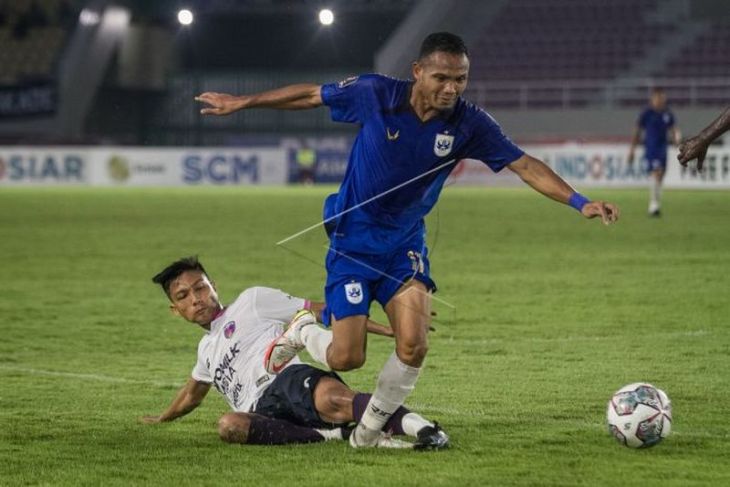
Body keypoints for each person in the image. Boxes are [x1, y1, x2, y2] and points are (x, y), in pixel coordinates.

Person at [195, 32, 619, 448]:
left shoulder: (470, 124)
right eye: (441, 78)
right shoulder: (375, 93)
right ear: (418, 72)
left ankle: (365, 435)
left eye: (460, 79)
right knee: (347, 358)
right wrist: (243, 102)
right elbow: (311, 95)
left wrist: (578, 201)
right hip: (352, 246)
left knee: (414, 345)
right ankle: (305, 332)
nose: (451, 88)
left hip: (404, 248)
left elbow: (525, 165)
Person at [141, 257, 449, 450]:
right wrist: (161, 419)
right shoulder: (205, 350)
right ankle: (331, 437)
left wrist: (389, 328)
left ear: (214, 286)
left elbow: (323, 310)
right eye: (183, 296)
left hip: (286, 378)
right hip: (258, 409)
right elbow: (192, 395)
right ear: (175, 309)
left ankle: (424, 429)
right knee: (229, 426)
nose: (195, 299)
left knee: (337, 401)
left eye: (200, 288)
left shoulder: (252, 301)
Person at [628, 87, 681, 217]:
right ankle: (653, 205)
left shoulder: (668, 114)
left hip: (663, 149)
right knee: (656, 173)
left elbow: (674, 130)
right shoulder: (646, 113)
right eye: (657, 98)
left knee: (661, 175)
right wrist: (632, 150)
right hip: (651, 149)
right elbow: (637, 131)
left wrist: (677, 142)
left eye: (662, 98)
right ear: (652, 99)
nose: (659, 100)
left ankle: (655, 203)